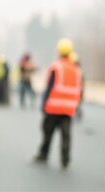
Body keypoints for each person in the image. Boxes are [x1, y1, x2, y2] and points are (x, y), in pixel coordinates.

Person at [34, 38, 82, 170]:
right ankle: (65, 160)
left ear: (59, 51)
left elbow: (50, 87)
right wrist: (77, 107)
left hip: (54, 107)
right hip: (68, 109)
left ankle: (43, 155)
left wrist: (44, 103)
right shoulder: (76, 69)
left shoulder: (56, 67)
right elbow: (79, 89)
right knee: (66, 136)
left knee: (47, 132)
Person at [69, 51, 84, 121]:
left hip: (77, 90)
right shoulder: (78, 70)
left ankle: (77, 112)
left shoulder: (77, 70)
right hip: (76, 90)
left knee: (77, 103)